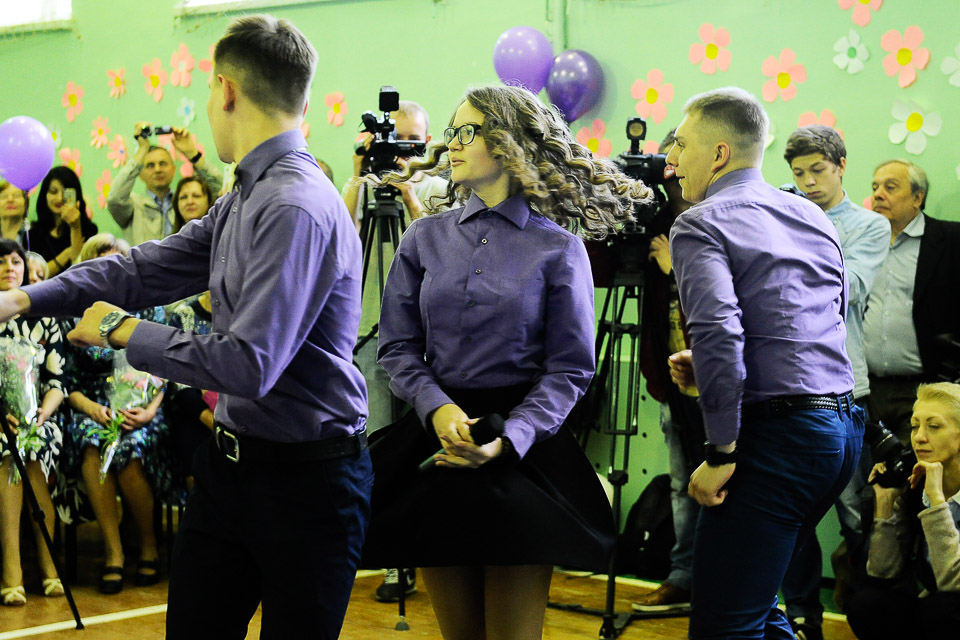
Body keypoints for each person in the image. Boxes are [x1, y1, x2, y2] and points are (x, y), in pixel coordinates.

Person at [0, 14, 369, 638]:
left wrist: (121, 331)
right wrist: (22, 300)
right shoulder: (245, 195)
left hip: (308, 482)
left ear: (225, 90)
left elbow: (248, 364)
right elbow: (143, 268)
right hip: (232, 469)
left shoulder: (294, 205)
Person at [366, 84, 649, 640]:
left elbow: (570, 369)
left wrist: (510, 438)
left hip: (522, 449)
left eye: (466, 132)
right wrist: (436, 408)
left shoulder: (558, 248)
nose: (451, 143)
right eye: (451, 131)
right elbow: (396, 347)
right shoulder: (424, 238)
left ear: (507, 143)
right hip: (438, 437)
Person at [664, 87, 863, 638]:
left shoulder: (699, 223)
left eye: (680, 144)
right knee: (755, 605)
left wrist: (720, 452)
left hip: (777, 441)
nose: (671, 159)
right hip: (839, 434)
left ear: (719, 153)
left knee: (725, 625)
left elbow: (718, 332)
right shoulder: (811, 215)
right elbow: (827, 318)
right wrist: (717, 366)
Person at [779, 125, 891, 636]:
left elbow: (851, 290)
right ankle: (802, 614)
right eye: (799, 173)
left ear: (841, 166)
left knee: (855, 511)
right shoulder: (783, 213)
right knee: (794, 510)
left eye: (818, 170)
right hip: (788, 385)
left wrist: (797, 241)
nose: (808, 182)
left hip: (846, 386)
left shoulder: (869, 225)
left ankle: (866, 617)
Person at [59, 236, 170, 594]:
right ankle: (114, 552)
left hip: (142, 407)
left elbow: (166, 371)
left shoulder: (150, 310)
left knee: (131, 449)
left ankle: (149, 545)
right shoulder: (75, 316)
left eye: (117, 264)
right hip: (91, 406)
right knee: (92, 443)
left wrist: (149, 411)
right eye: (101, 265)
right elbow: (66, 381)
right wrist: (91, 408)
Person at [631, 128, 701, 612]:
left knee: (721, 483)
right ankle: (682, 577)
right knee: (681, 483)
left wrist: (675, 268)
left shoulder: (721, 218)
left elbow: (728, 303)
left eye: (681, 153)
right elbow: (601, 268)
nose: (672, 166)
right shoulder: (654, 222)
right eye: (667, 157)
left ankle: (718, 580)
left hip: (718, 377)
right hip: (670, 375)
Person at [846, 382, 960, 638]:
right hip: (939, 606)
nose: (919, 437)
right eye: (915, 426)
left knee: (944, 610)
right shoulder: (916, 486)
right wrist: (885, 504)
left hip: (949, 606)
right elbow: (882, 573)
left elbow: (954, 584)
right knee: (867, 605)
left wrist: (937, 502)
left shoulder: (930, 493)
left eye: (934, 426)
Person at [864, 160, 960, 444]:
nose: (878, 194)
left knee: (918, 470)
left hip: (926, 390)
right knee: (870, 470)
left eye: (890, 187)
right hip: (868, 390)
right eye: (875, 187)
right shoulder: (865, 243)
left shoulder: (951, 240)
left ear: (918, 197)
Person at [0, 239, 66, 606]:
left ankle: (49, 565)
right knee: (7, 452)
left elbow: (57, 382)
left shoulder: (44, 319)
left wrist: (42, 413)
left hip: (39, 417)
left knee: (35, 449)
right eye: (1, 262)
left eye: (15, 261)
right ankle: (12, 570)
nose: (9, 268)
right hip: (0, 425)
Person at [107, 124, 222, 246]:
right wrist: (142, 150)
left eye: (163, 164)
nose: (157, 170)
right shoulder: (133, 206)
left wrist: (192, 154)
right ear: (140, 173)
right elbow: (114, 199)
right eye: (150, 165)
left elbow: (222, 190)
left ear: (173, 169)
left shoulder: (184, 202)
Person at [165, 291, 215, 490]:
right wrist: (209, 418)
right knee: (196, 455)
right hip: (195, 410)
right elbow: (177, 379)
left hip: (237, 410)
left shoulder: (244, 314)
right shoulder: (184, 315)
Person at [0, 178, 83, 278]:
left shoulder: (35, 234)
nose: (10, 200)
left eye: (16, 196)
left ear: (26, 203)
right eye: (4, 197)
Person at [31, 166, 99, 268]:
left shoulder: (89, 230)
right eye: (53, 192)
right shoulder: (34, 234)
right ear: (44, 195)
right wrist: (67, 253)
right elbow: (35, 273)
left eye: (66, 193)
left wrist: (76, 227)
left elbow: (82, 270)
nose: (60, 198)